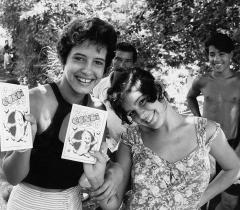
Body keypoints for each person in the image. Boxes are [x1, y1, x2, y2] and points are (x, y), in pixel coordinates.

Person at [2, 17, 117, 210]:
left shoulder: (97, 110)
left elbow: (92, 168)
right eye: (79, 58)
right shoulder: (32, 101)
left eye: (97, 62)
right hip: (26, 203)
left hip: (70, 203)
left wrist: (113, 172)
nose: (87, 70)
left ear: (104, 69)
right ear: (64, 59)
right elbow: (12, 177)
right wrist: (24, 147)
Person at [92, 67, 240, 210]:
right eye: (132, 113)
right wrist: (96, 177)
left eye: (142, 101)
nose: (142, 115)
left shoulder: (205, 131)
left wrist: (199, 200)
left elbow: (233, 168)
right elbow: (112, 204)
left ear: (157, 90)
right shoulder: (131, 139)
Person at [187, 32, 240, 210]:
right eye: (212, 54)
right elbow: (190, 97)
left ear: (231, 54)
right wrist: (198, 118)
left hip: (232, 146)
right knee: (202, 193)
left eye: (221, 54)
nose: (216, 59)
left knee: (230, 201)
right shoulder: (202, 81)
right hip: (207, 145)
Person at [92, 42, 138, 153]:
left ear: (133, 63)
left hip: (130, 149)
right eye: (118, 59)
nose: (122, 64)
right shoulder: (99, 85)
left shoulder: (138, 89)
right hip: (102, 147)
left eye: (127, 61)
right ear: (112, 60)